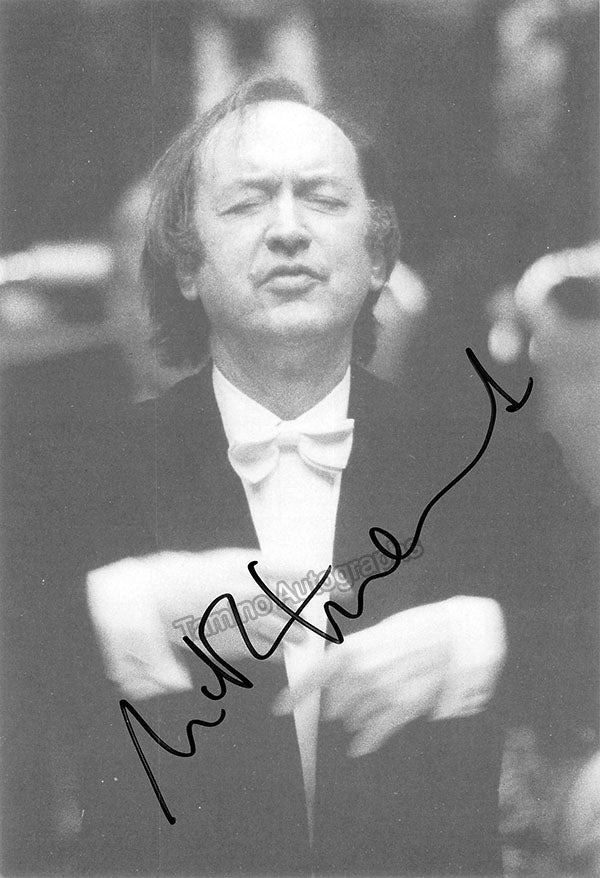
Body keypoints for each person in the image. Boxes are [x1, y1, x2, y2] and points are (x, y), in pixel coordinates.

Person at [76, 77, 597, 876]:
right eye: (247, 203)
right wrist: (135, 609)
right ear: (186, 264)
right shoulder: (82, 468)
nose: (288, 230)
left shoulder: (488, 459)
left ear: (379, 257)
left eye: (321, 199)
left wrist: (477, 643)